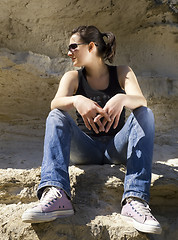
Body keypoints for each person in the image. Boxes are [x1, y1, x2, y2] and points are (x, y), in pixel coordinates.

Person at [22, 25, 162, 234]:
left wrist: (122, 98)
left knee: (145, 113)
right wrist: (77, 100)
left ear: (90, 46)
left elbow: (141, 100)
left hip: (116, 148)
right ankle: (57, 193)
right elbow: (55, 103)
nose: (68, 52)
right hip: (85, 150)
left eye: (73, 47)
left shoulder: (122, 72)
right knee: (56, 116)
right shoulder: (73, 77)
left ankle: (135, 200)